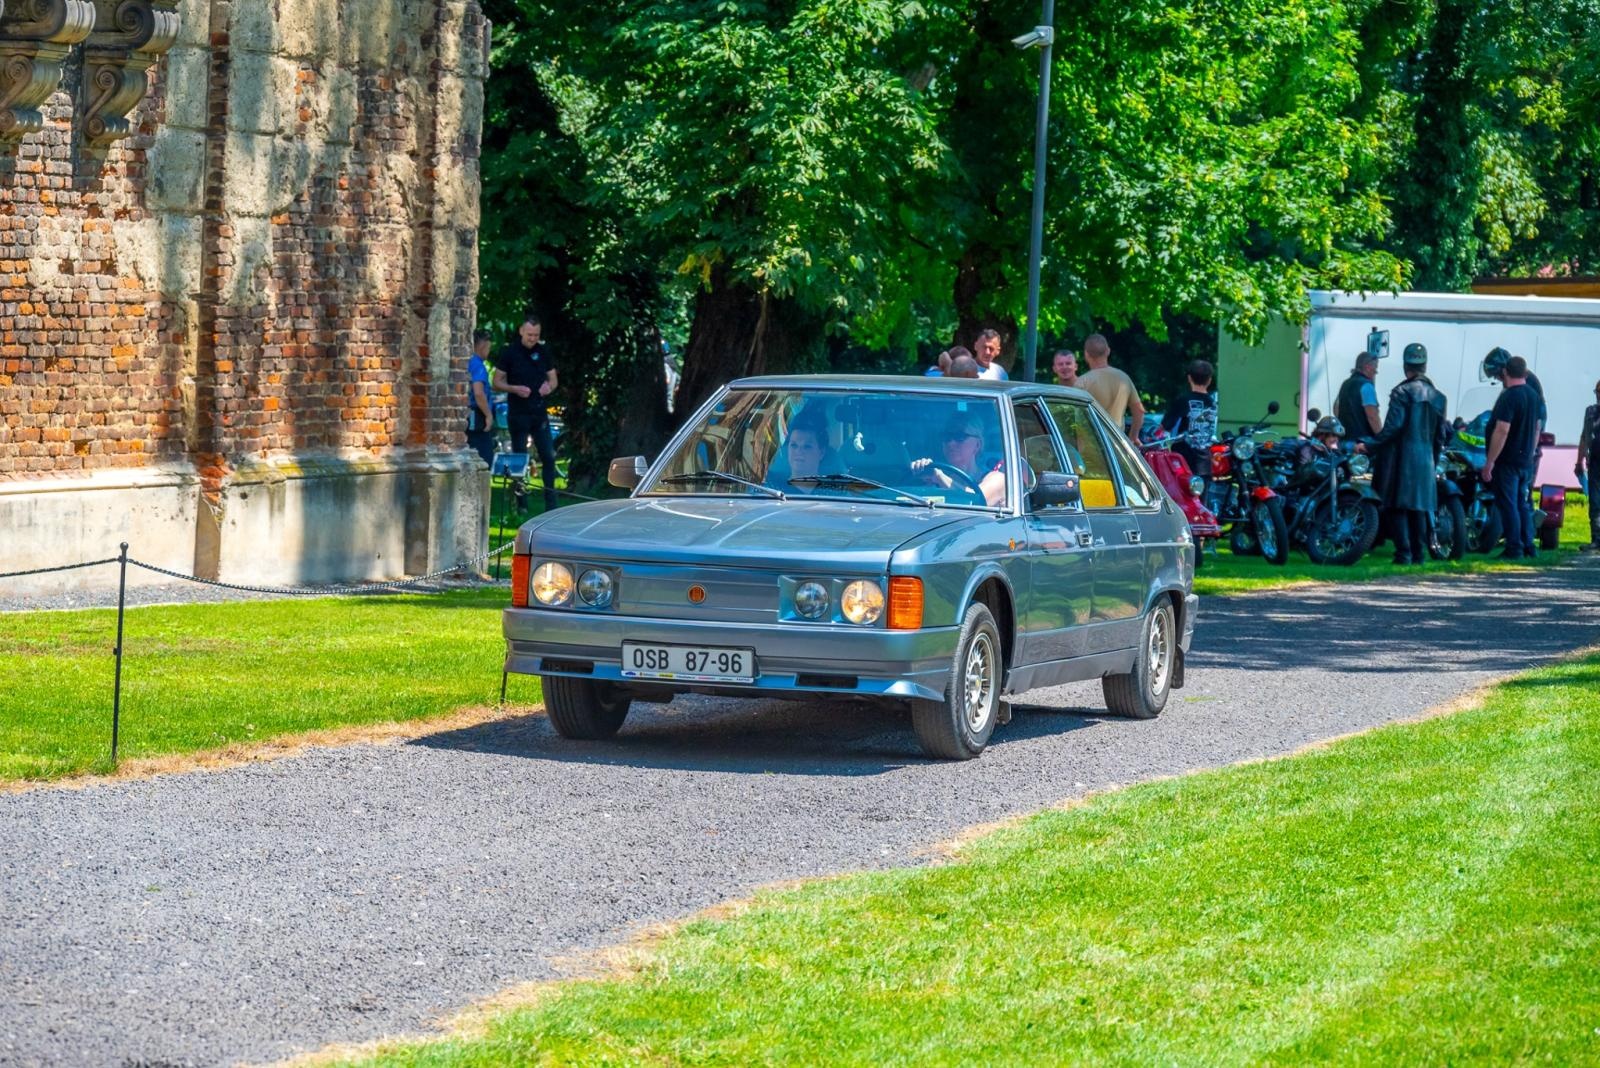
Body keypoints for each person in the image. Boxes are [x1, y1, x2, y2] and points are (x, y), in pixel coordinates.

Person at [1365, 343, 1447, 565]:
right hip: (1426, 459)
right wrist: (1434, 459)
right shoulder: (1439, 397)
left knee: (1397, 507)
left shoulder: (1402, 392)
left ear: (1405, 366)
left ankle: (1403, 553)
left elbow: (1393, 428)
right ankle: (1418, 554)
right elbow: (1440, 436)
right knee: (1419, 509)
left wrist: (1370, 446)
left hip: (1401, 458)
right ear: (1425, 366)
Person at [492, 315, 559, 511]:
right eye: (530, 334)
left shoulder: (543, 351)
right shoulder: (509, 352)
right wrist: (514, 389)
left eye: (536, 335)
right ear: (522, 331)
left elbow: (553, 380)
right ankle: (521, 502)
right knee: (519, 457)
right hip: (518, 413)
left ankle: (551, 501)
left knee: (548, 455)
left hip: (539, 413)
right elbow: (496, 382)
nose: (533, 339)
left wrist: (549, 387)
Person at [1481, 355, 1542, 560]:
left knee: (1509, 504)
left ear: (1506, 372)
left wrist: (1490, 462)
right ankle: (1528, 545)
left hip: (1507, 460)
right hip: (1526, 460)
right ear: (1524, 373)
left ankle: (1514, 547)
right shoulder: (1533, 395)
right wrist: (1532, 451)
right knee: (1523, 504)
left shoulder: (1509, 396)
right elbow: (1536, 427)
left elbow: (1502, 430)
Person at [911, 415, 1005, 506]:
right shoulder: (935, 482)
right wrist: (921, 477)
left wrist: (939, 477)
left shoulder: (997, 479)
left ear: (977, 445)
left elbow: (976, 502)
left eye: (960, 436)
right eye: (947, 437)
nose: (951, 443)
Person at [1076, 333, 1145, 442]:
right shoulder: (1124, 378)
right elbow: (1139, 412)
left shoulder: (1082, 382)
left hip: (1091, 447)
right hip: (1117, 444)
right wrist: (1133, 437)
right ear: (1108, 351)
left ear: (1086, 354)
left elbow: (1075, 419)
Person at [1159, 359, 1218, 482]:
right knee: (1202, 500)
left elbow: (1166, 426)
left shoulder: (1183, 400)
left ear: (1189, 378)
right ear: (1209, 380)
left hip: (1183, 462)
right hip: (1205, 463)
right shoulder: (1213, 404)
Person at [465, 329, 496, 468]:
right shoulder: (478, 366)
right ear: (482, 346)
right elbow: (478, 392)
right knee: (484, 458)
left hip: (467, 415)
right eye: (488, 347)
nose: (488, 351)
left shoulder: (466, 362)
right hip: (477, 416)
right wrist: (488, 415)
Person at [1335, 352, 1382, 438]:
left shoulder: (1345, 384)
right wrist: (1382, 438)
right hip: (1362, 443)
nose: (1376, 372)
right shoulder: (1366, 386)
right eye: (1375, 367)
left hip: (1344, 440)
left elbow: (1336, 408)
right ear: (1367, 367)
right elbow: (1372, 416)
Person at [1579, 380, 1600, 550]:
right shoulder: (1591, 412)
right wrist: (1580, 459)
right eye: (1597, 392)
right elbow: (1585, 436)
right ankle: (1596, 538)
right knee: (1595, 502)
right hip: (1595, 461)